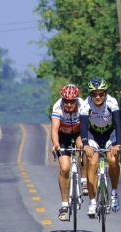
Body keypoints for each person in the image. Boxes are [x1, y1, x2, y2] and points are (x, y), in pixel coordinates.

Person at [79, 78, 121, 217]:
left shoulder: (112, 102)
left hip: (110, 134)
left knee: (112, 160)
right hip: (93, 135)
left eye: (101, 94)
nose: (98, 97)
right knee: (92, 162)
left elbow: (118, 125)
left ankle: (114, 193)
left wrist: (118, 144)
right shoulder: (86, 105)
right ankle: (92, 202)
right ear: (90, 95)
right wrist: (86, 145)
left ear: (106, 93)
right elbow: (83, 127)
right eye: (94, 94)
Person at [51, 84, 88, 221]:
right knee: (65, 168)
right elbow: (54, 129)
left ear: (77, 100)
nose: (69, 104)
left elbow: (86, 126)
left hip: (78, 133)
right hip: (63, 136)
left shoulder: (83, 105)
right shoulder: (57, 107)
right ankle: (65, 206)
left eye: (72, 101)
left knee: (83, 148)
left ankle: (84, 181)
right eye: (66, 101)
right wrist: (55, 145)